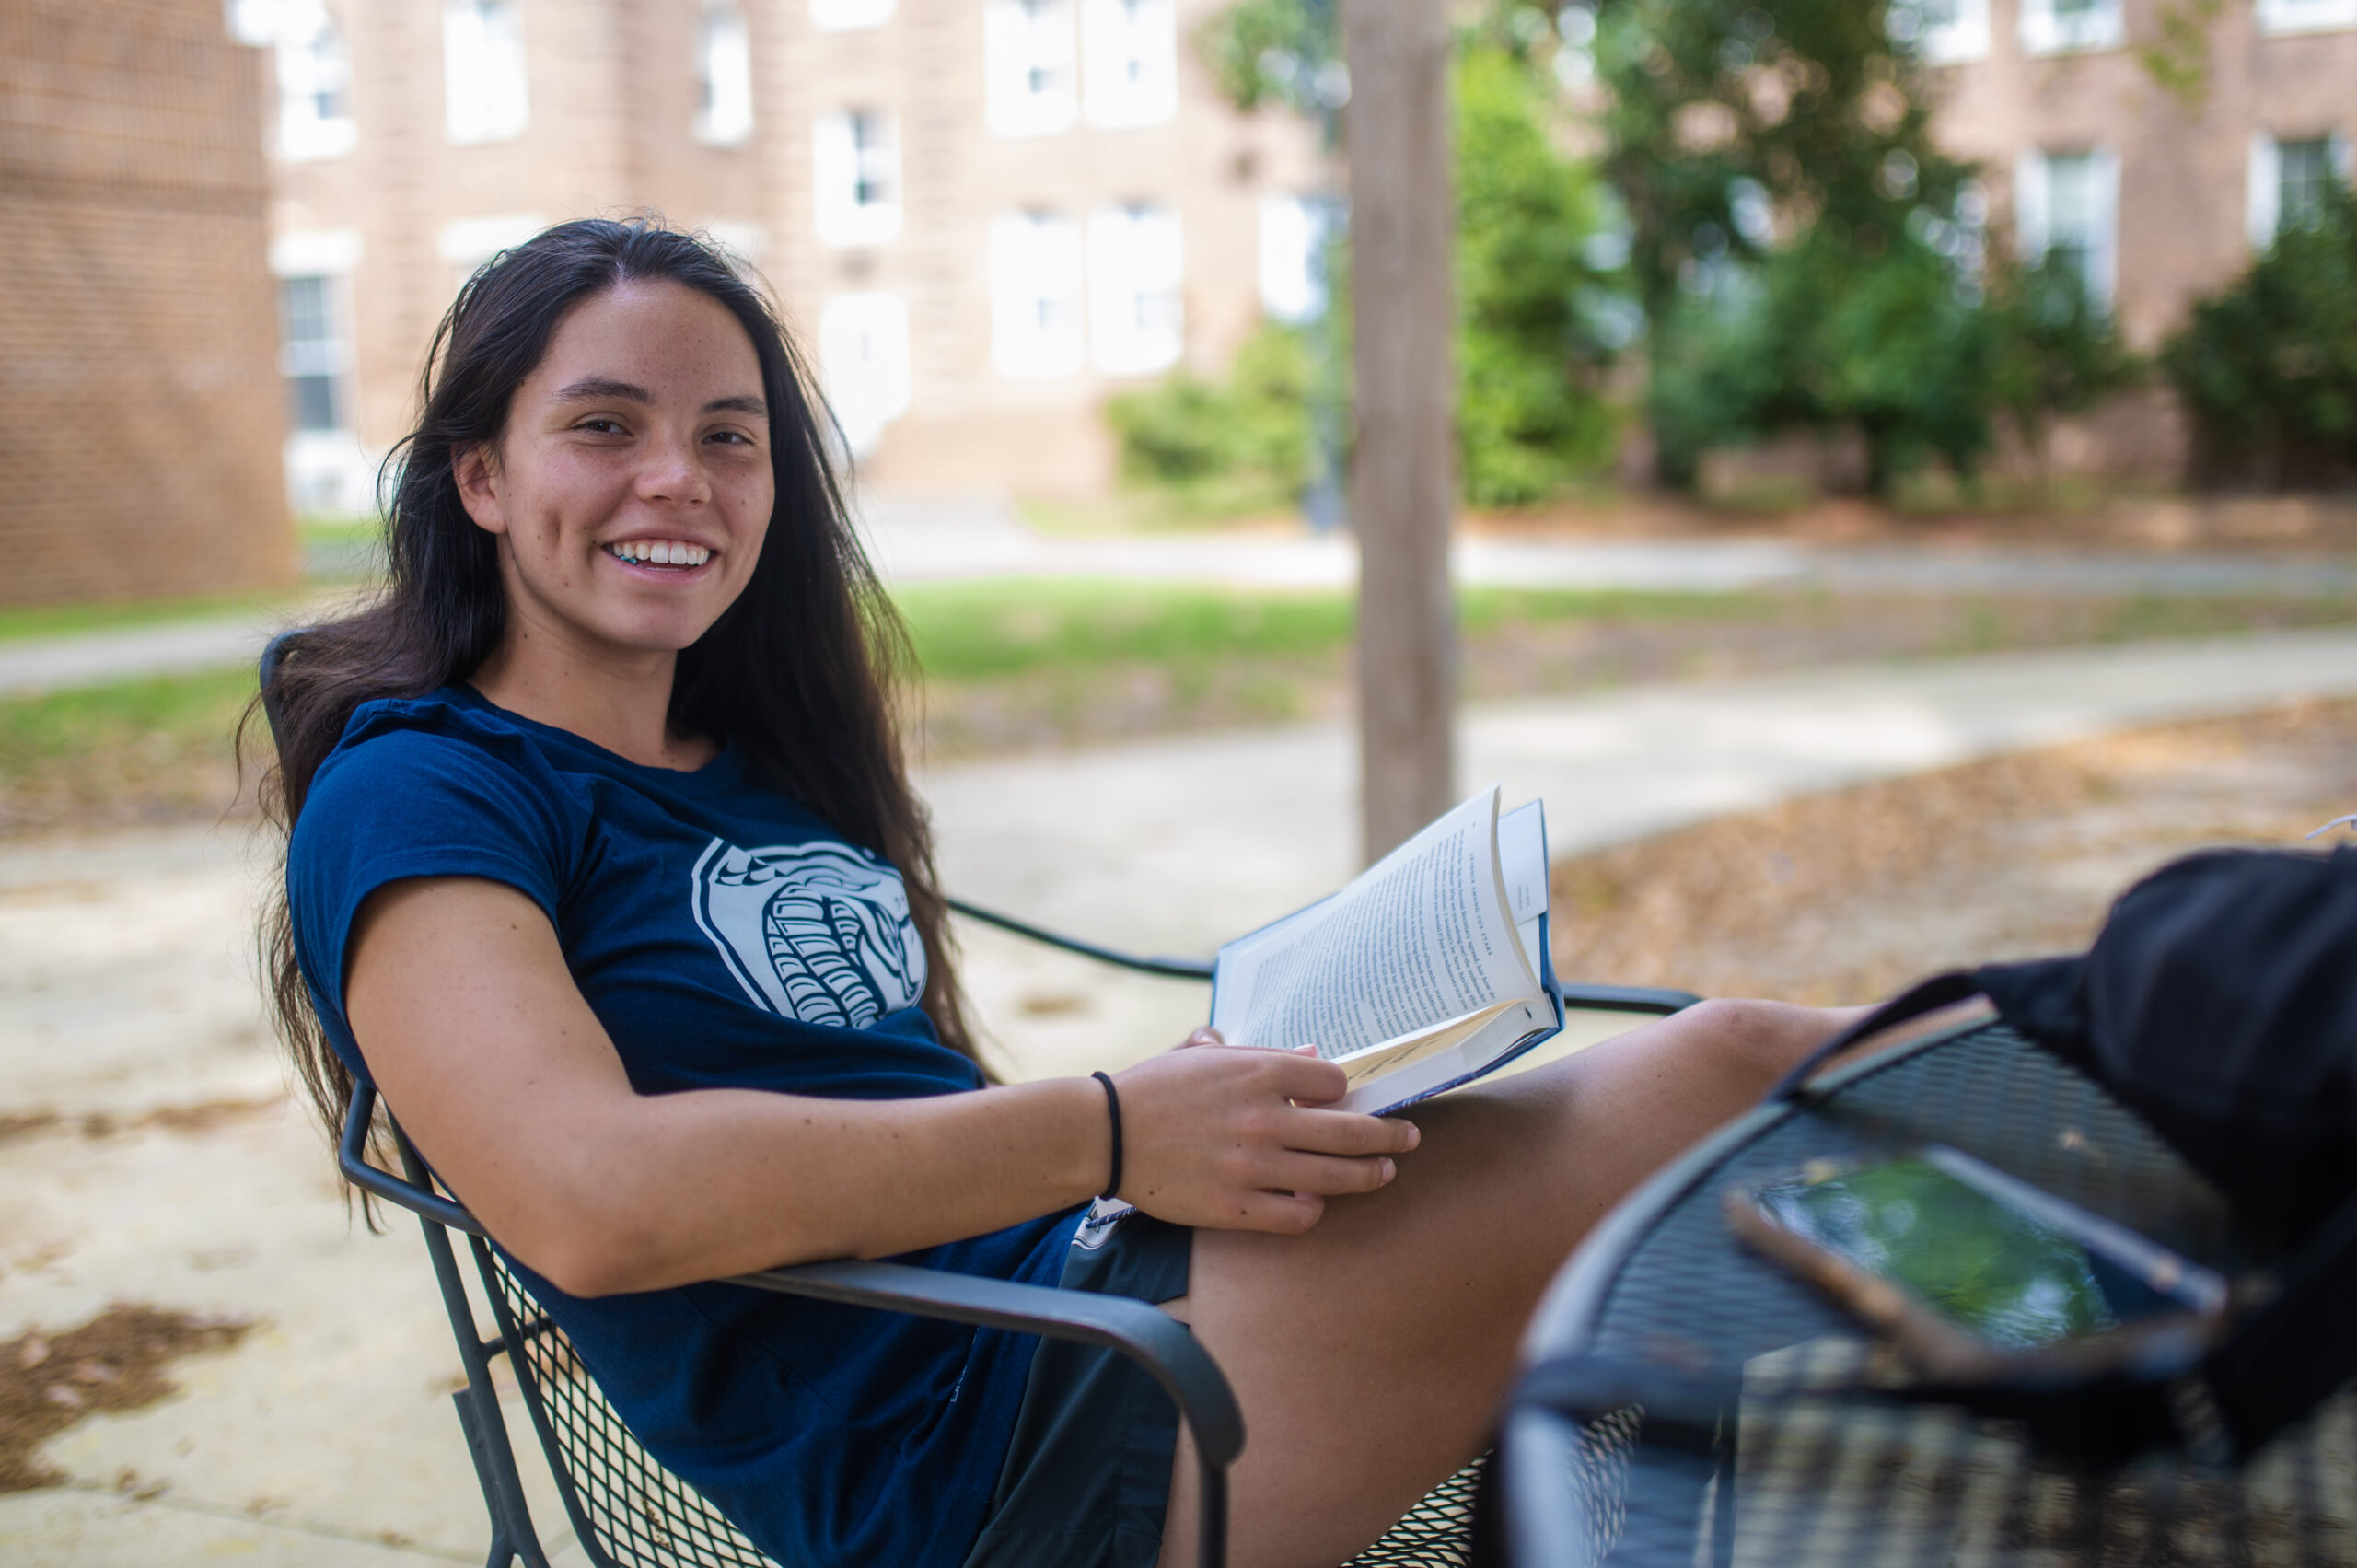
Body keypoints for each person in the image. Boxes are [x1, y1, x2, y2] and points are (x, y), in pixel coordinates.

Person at [258, 217, 1854, 1568]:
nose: (678, 478)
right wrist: (1108, 1127)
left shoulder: (754, 759)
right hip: (991, 1444)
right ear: (477, 476)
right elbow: (592, 1203)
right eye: (605, 426)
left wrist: (1157, 1125)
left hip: (1068, 1290)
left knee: (1723, 1229)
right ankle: (2093, 1076)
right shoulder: (425, 790)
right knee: (1730, 1081)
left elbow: (890, 1106)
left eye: (729, 435)